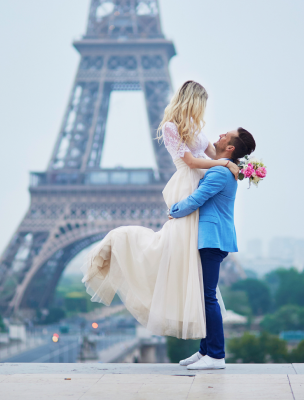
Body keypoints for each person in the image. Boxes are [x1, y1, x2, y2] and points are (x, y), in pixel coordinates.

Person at [80, 80, 239, 340]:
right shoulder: (170, 127)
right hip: (187, 181)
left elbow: (212, 155)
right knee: (176, 244)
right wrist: (223, 164)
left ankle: (206, 347)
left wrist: (235, 164)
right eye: (202, 104)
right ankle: (120, 245)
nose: (203, 111)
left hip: (200, 179)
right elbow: (189, 160)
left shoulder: (196, 128)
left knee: (189, 256)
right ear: (192, 101)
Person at [171, 127, 256, 369]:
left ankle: (216, 355)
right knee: (206, 295)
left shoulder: (219, 172)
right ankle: (205, 351)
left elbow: (197, 199)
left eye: (225, 136)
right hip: (212, 238)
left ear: (230, 148)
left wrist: (173, 211)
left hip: (212, 239)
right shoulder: (222, 167)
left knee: (208, 297)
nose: (219, 135)